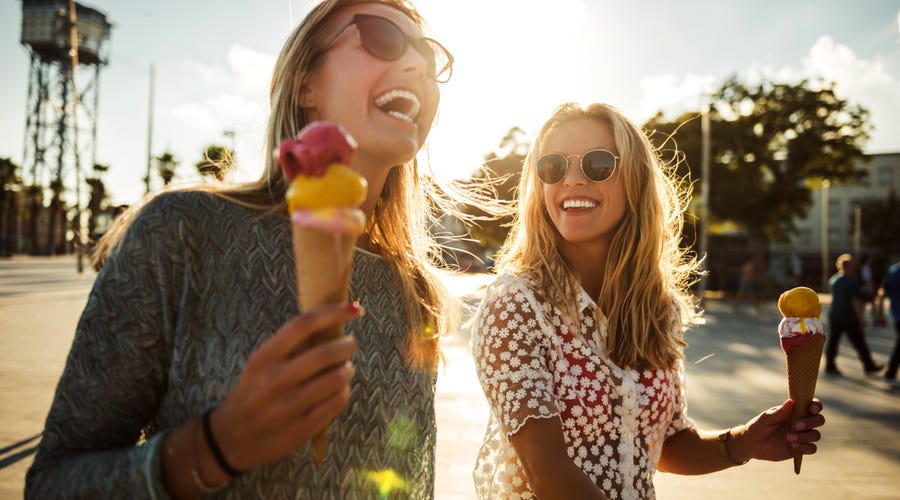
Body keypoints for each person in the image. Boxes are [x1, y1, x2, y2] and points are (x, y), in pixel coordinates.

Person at [26, 1, 459, 498]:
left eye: (429, 55)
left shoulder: (416, 290)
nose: (417, 65)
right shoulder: (182, 232)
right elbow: (52, 484)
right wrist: (214, 447)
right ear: (305, 84)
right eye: (382, 38)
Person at [471, 103, 825, 499]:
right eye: (552, 166)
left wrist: (744, 442)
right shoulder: (515, 303)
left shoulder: (659, 308)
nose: (571, 180)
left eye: (598, 164)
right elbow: (546, 467)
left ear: (635, 182)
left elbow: (665, 444)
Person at [824, 253, 882, 376]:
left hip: (835, 314)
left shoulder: (833, 280)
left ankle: (830, 365)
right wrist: (861, 319)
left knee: (833, 342)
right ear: (849, 267)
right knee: (859, 342)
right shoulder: (851, 281)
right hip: (848, 317)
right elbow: (856, 302)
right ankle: (869, 365)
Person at [879, 258, 900, 388]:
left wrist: (879, 311)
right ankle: (890, 373)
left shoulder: (892, 270)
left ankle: (890, 373)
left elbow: (882, 292)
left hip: (896, 314)